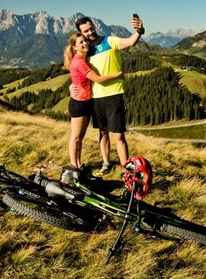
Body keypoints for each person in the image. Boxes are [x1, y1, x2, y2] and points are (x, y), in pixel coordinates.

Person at [73, 15, 144, 176]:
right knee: (103, 132)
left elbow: (130, 42)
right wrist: (72, 86)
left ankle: (126, 169)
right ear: (81, 33)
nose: (90, 32)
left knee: (118, 135)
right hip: (95, 97)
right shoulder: (85, 50)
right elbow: (76, 71)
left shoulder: (109, 41)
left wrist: (139, 30)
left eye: (91, 28)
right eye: (86, 31)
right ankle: (106, 164)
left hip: (113, 95)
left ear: (94, 27)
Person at [61, 32, 123, 185]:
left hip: (85, 101)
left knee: (79, 138)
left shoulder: (82, 59)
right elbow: (98, 79)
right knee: (75, 138)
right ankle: (74, 166)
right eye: (81, 42)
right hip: (79, 103)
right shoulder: (79, 61)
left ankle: (78, 165)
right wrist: (118, 75)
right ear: (75, 47)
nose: (85, 44)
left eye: (85, 41)